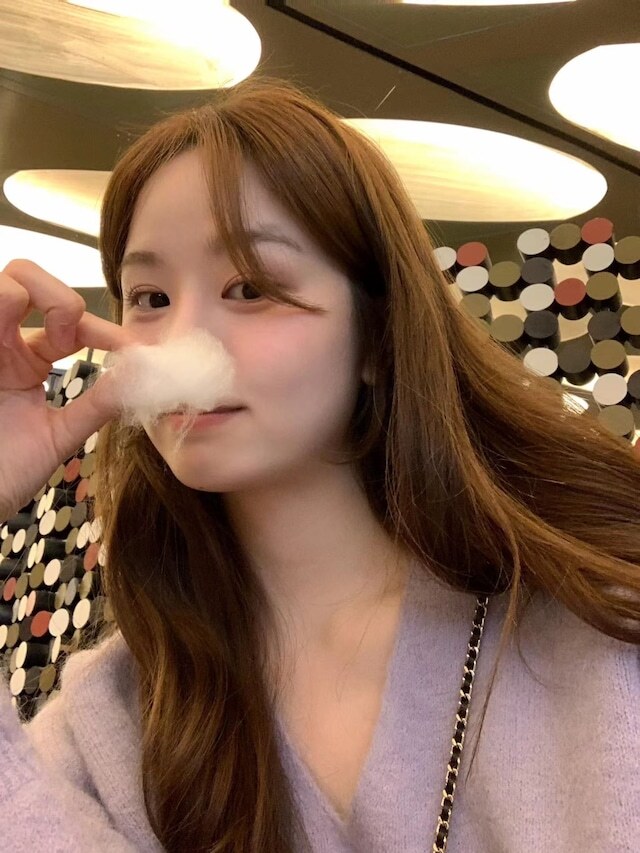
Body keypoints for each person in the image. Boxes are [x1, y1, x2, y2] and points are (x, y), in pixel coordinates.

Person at [0, 76, 638, 853]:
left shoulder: (596, 633)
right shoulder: (113, 724)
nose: (179, 342)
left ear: (377, 335)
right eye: (150, 298)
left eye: (250, 287)